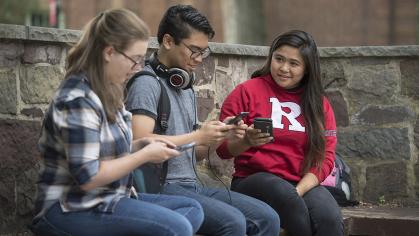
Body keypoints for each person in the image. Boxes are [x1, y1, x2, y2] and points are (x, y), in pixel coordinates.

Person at [31, 9, 204, 236]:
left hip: (110, 198)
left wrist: (140, 146)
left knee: (191, 209)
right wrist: (142, 157)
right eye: (135, 59)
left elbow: (107, 150)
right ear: (109, 52)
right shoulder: (78, 99)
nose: (139, 68)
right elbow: (88, 177)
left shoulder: (109, 92)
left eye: (142, 59)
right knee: (177, 227)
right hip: (70, 207)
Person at [125, 4, 280, 236]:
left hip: (192, 186)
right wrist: (198, 135)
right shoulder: (146, 83)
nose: (198, 59)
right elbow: (139, 140)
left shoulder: (184, 85)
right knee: (233, 222)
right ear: (168, 41)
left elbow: (193, 153)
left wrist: (218, 136)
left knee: (267, 217)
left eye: (203, 52)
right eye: (194, 50)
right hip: (160, 187)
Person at [217, 30, 344, 236]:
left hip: (300, 182)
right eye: (279, 59)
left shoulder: (319, 104)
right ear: (271, 58)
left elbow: (325, 158)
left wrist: (299, 190)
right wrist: (246, 142)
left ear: (307, 69)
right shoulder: (247, 91)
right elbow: (222, 149)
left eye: (294, 63)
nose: (284, 68)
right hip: (253, 179)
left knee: (328, 216)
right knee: (286, 197)